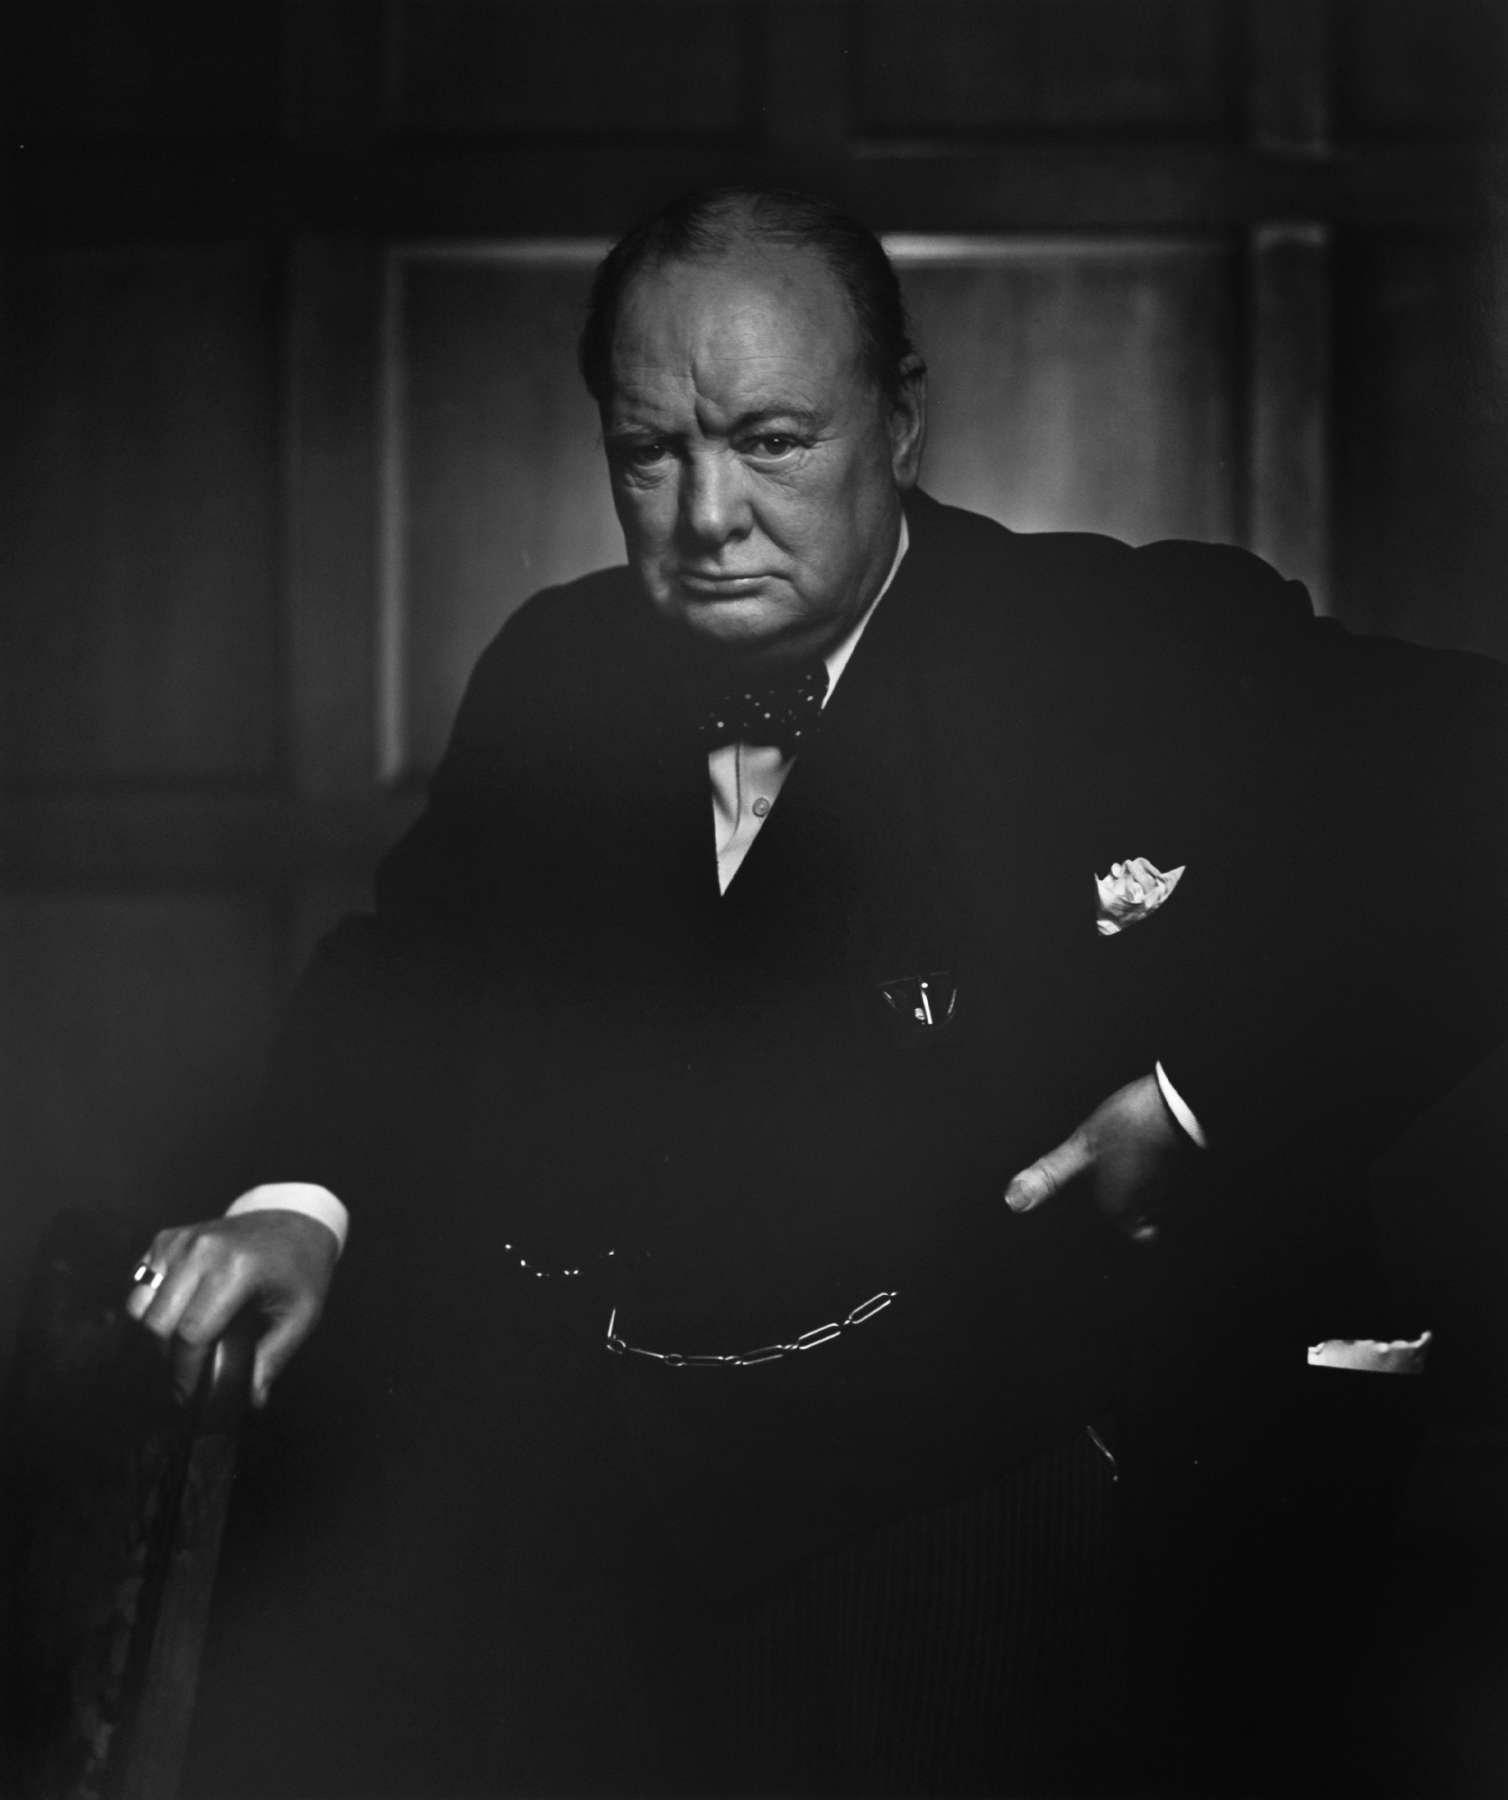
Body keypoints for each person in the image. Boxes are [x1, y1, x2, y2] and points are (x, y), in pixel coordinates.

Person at [127, 187, 1508, 1796]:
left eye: (770, 440)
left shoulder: (1121, 635)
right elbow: (405, 968)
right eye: (650, 452)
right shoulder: (556, 664)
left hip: (994, 1518)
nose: (706, 512)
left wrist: (1203, 1101)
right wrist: (300, 1201)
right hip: (612, 1513)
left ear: (900, 423)